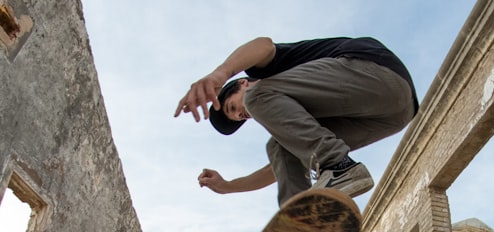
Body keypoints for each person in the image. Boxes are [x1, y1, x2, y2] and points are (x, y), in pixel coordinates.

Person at [174, 36, 419, 205]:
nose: (241, 114)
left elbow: (264, 44)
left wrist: (221, 72)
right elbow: (276, 171)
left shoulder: (265, 74)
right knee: (279, 148)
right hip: (394, 115)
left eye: (233, 106)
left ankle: (340, 167)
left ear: (242, 83)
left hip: (377, 72)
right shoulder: (295, 118)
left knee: (258, 97)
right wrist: (229, 186)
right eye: (238, 117)